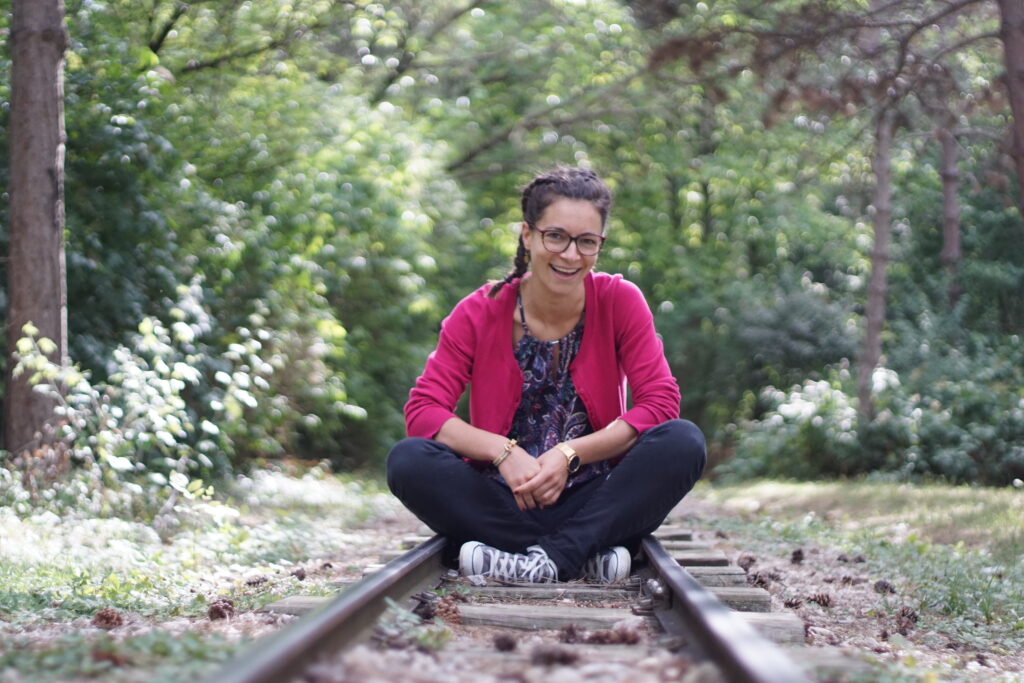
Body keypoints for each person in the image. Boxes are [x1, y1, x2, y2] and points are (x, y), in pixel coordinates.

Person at [387, 167, 706, 584]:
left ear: (599, 244)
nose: (571, 254)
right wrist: (503, 452)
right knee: (408, 460)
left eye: (586, 241)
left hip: (593, 495)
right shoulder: (478, 311)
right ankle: (581, 551)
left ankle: (541, 556)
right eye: (556, 236)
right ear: (528, 235)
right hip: (504, 497)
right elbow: (424, 411)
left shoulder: (619, 300)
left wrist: (569, 454)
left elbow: (660, 403)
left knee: (683, 441)